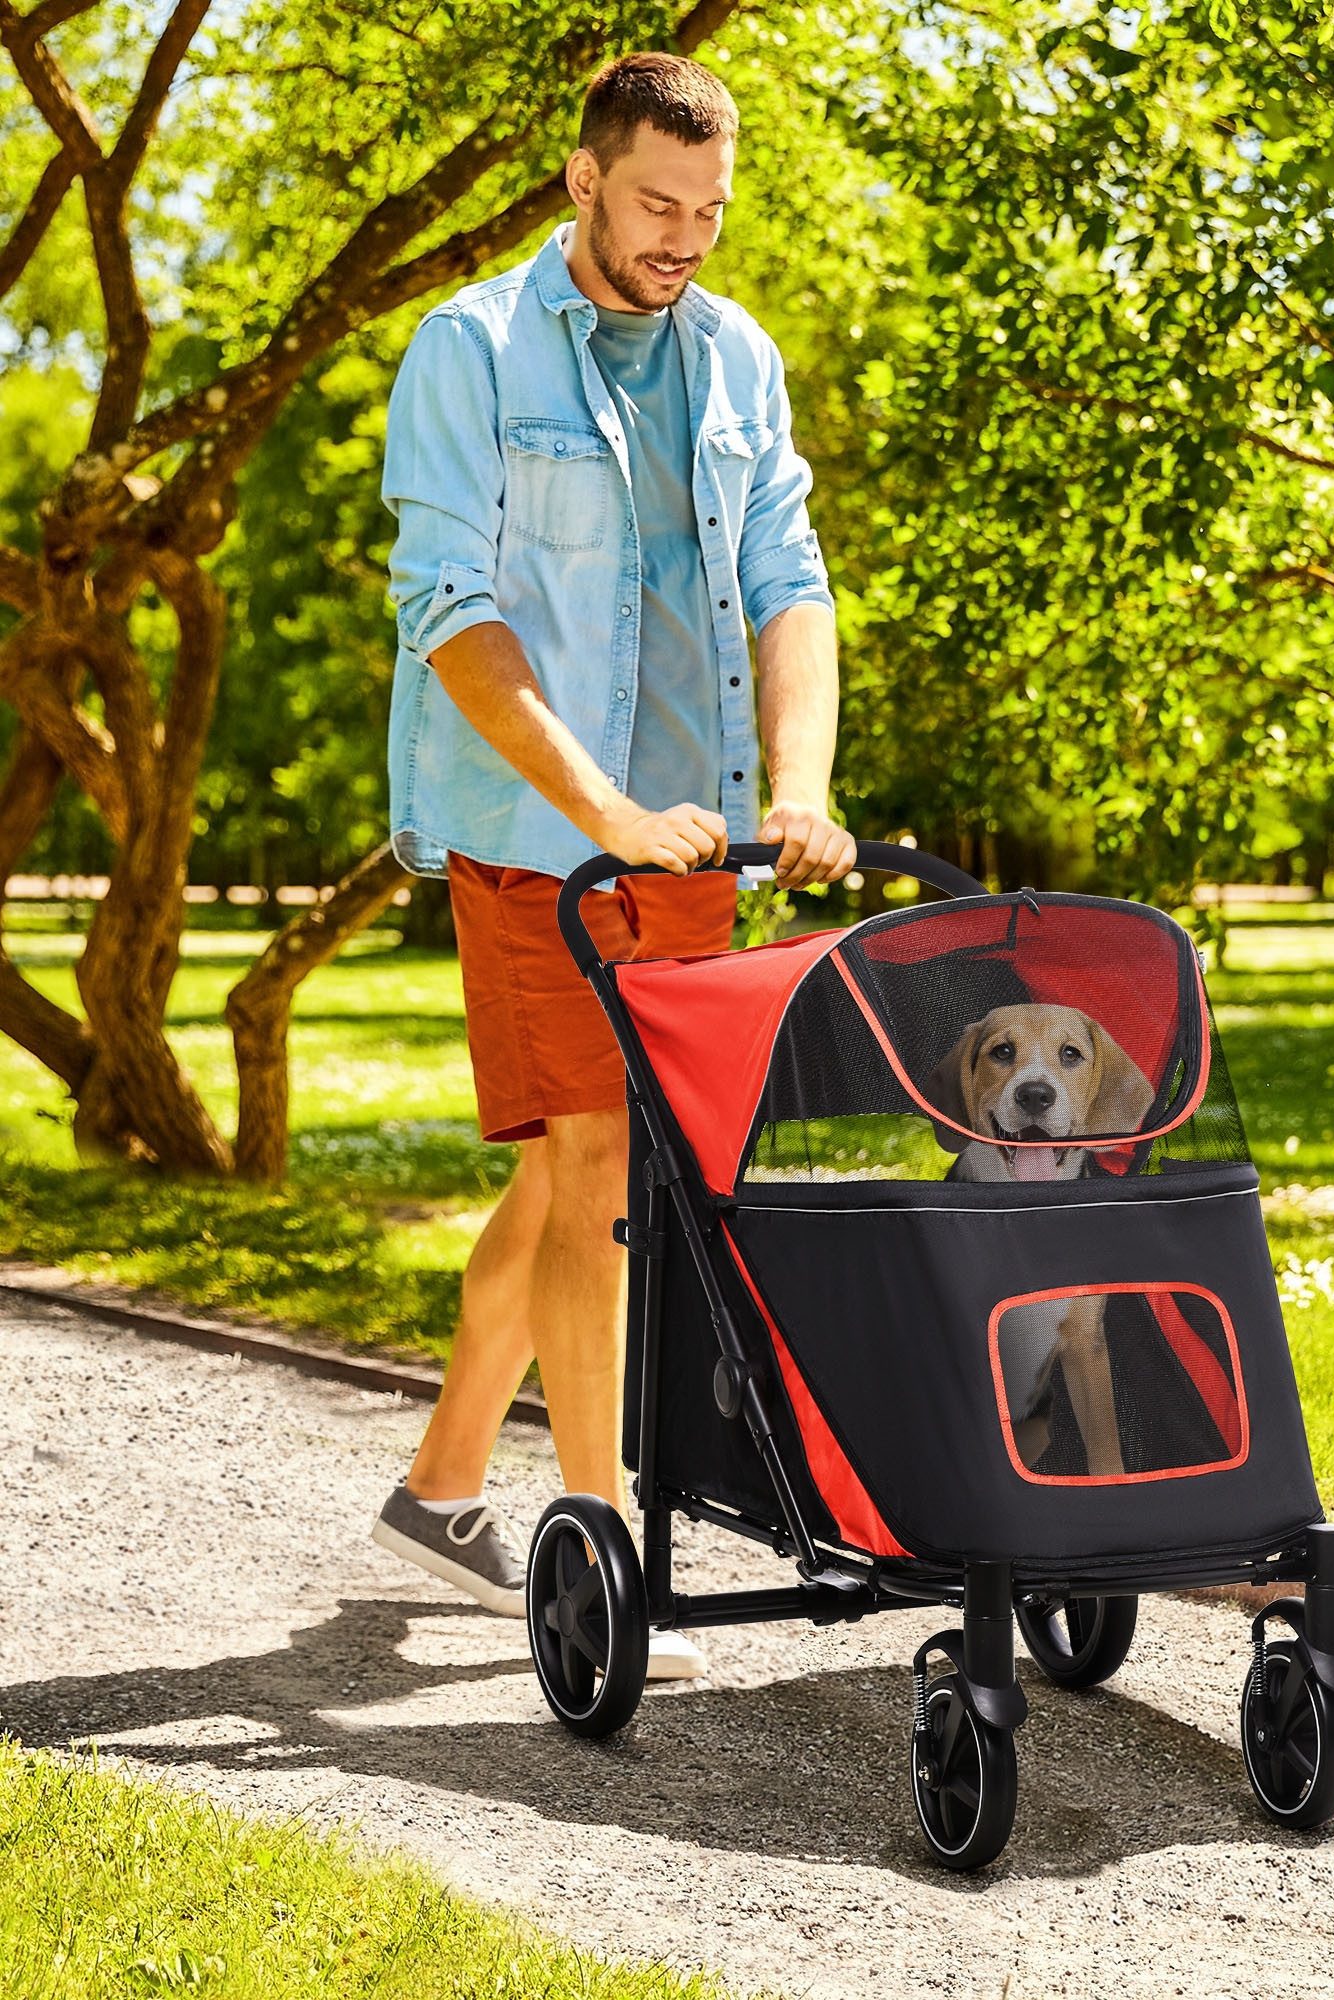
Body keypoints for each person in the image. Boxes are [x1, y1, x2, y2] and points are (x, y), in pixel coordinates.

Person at [368, 51, 857, 1680]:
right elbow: (451, 609)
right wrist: (604, 816)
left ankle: (444, 1487)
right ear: (583, 180)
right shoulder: (474, 350)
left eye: (711, 211)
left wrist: (800, 784)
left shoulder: (733, 359)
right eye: (659, 204)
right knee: (595, 1170)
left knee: (595, 1163)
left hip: (697, 829)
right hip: (533, 834)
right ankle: (600, 1543)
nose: (685, 239)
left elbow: (788, 573)